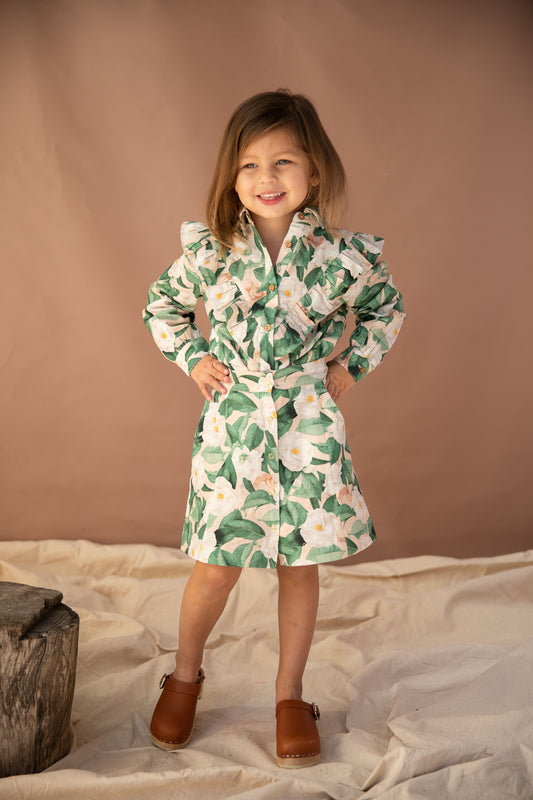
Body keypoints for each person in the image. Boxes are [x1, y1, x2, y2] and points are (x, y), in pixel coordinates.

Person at [142, 89, 406, 768]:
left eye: (283, 162)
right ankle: (185, 675)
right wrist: (194, 357)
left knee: (299, 567)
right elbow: (162, 307)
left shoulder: (341, 259)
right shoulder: (212, 253)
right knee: (216, 567)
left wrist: (349, 366)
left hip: (306, 426)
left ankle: (291, 696)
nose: (267, 178)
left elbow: (385, 309)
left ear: (313, 171)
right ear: (231, 178)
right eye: (250, 165)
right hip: (234, 431)